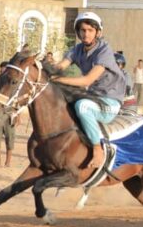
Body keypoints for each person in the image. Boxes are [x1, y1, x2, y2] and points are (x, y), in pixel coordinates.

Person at [52, 11, 126, 169]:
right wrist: (44, 70)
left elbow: (87, 80)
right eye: (83, 30)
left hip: (110, 100)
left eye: (90, 30)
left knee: (82, 107)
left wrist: (57, 79)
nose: (86, 34)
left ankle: (98, 149)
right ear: (78, 32)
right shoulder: (77, 49)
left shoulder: (104, 50)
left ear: (98, 32)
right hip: (94, 97)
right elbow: (61, 66)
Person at [0, 61, 18, 167]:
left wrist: (17, 115)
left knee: (10, 138)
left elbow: (16, 101)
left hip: (10, 113)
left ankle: (8, 162)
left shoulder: (13, 83)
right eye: (2, 70)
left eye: (5, 70)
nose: (4, 71)